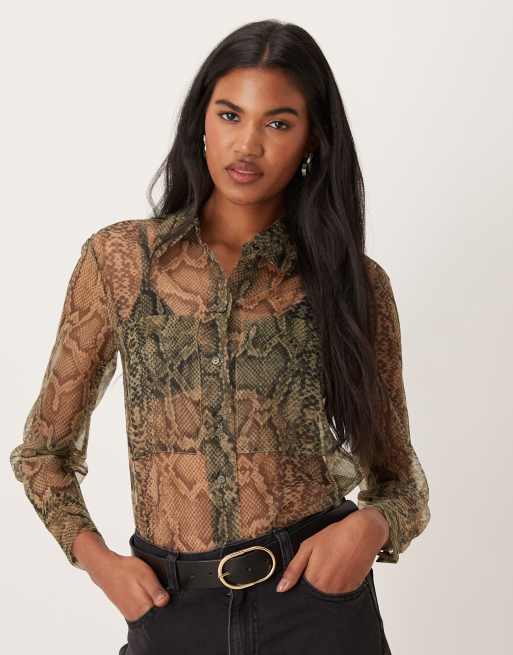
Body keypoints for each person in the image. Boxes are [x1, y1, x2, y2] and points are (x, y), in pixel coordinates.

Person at [9, 18, 430, 655]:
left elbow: (403, 484)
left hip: (315, 608)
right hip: (170, 610)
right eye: (231, 115)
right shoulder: (120, 263)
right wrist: (102, 566)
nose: (248, 145)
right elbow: (43, 454)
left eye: (278, 124)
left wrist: (370, 527)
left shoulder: (356, 286)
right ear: (200, 122)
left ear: (313, 140)